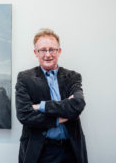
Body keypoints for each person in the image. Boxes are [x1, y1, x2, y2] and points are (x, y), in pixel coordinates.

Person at [15, 29, 87, 163]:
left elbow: (77, 104)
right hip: (40, 151)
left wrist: (40, 106)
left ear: (59, 51)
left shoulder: (72, 77)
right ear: (36, 53)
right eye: (43, 50)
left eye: (52, 49)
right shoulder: (25, 78)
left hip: (70, 150)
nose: (48, 54)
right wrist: (59, 119)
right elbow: (24, 114)